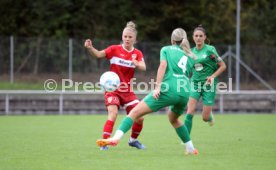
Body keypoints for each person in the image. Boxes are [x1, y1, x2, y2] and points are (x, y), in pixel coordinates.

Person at [96, 28, 198, 155]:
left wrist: (157, 87)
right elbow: (191, 74)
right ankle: (190, 148)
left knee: (134, 113)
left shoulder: (166, 49)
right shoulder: (190, 55)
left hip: (169, 89)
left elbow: (162, 66)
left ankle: (115, 138)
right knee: (174, 119)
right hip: (184, 92)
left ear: (172, 40)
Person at [84, 21, 146, 150]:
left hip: (128, 91)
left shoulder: (138, 53)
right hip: (112, 90)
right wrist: (90, 48)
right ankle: (105, 143)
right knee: (113, 114)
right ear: (122, 37)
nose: (127, 39)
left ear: (135, 39)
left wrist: (137, 64)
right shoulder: (114, 49)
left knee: (140, 118)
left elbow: (143, 67)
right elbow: (98, 54)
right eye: (125, 36)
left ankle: (133, 140)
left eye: (130, 37)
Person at [184, 25, 226, 134]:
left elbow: (223, 66)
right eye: (196, 36)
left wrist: (212, 76)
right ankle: (186, 140)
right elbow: (189, 68)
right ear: (193, 37)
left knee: (205, 118)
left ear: (204, 37)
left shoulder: (210, 50)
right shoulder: (190, 52)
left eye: (200, 36)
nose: (198, 38)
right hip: (195, 84)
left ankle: (209, 116)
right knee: (190, 111)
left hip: (209, 85)